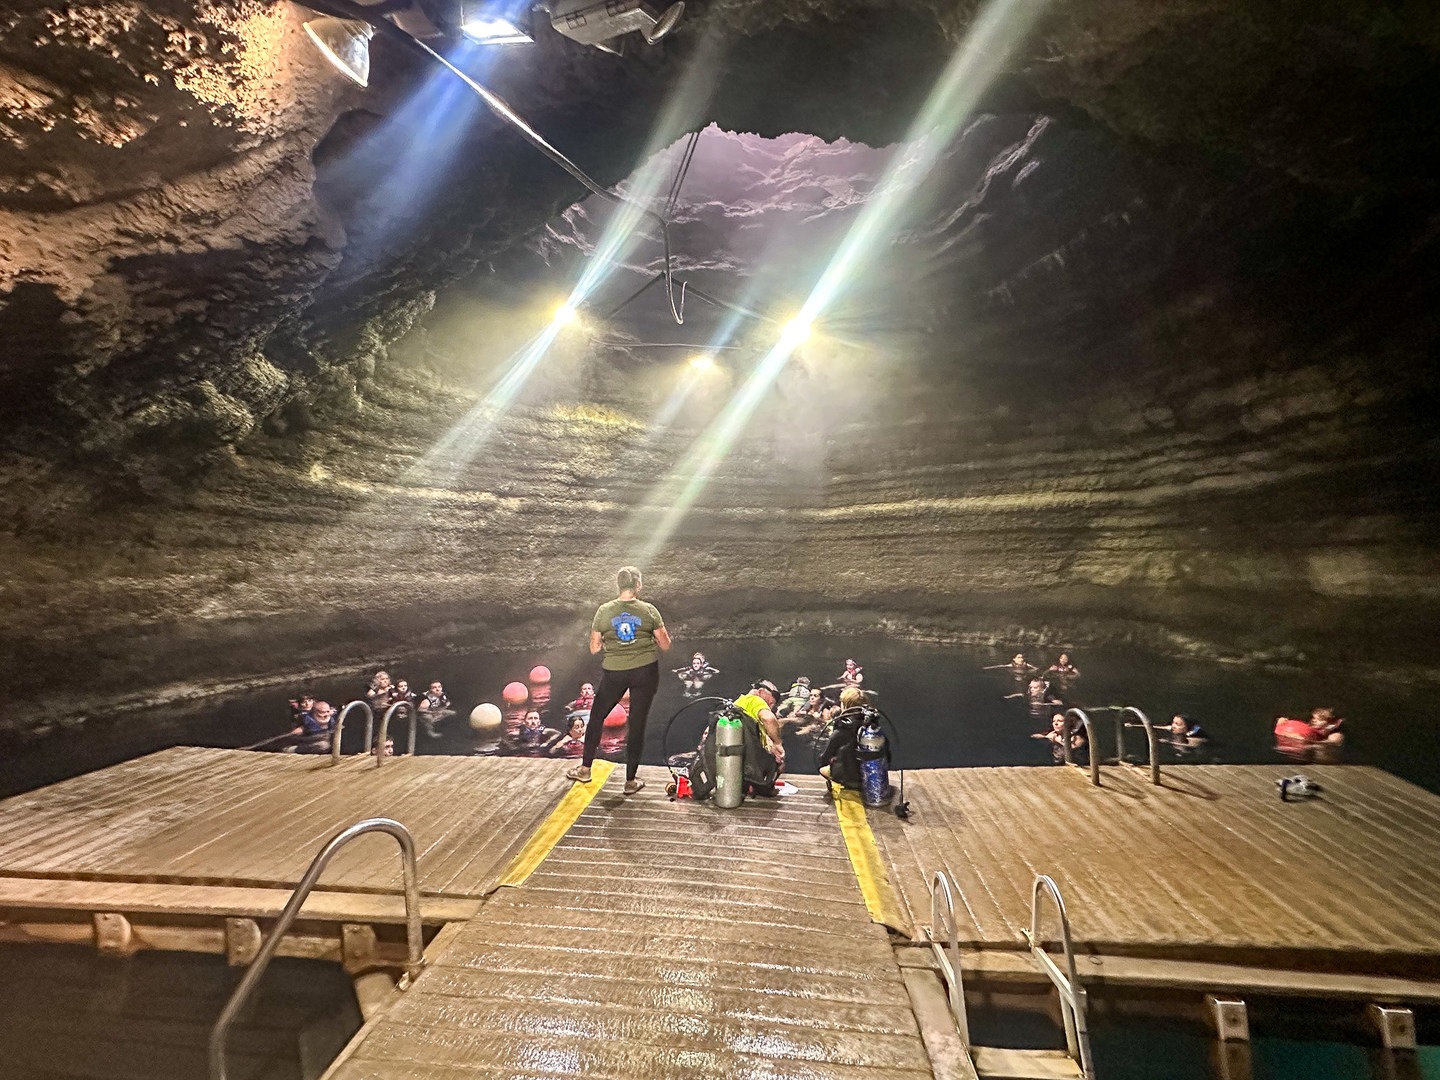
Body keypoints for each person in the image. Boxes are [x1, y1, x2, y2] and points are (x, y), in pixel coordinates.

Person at [567, 566, 672, 794]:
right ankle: (630, 781)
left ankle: (585, 770)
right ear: (638, 585)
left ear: (618, 585)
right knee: (637, 724)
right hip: (645, 671)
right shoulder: (649, 610)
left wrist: (611, 643)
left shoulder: (604, 611)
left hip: (614, 672)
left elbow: (594, 648)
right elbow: (665, 644)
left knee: (596, 717)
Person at [732, 678, 787, 778]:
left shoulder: (738, 702)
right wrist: (778, 743)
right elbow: (769, 718)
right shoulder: (755, 700)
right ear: (761, 692)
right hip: (750, 760)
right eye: (770, 703)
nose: (770, 708)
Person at [818, 687, 867, 787]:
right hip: (868, 772)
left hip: (850, 776)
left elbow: (825, 756)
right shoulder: (870, 722)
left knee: (822, 769)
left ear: (845, 705)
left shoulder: (843, 727)